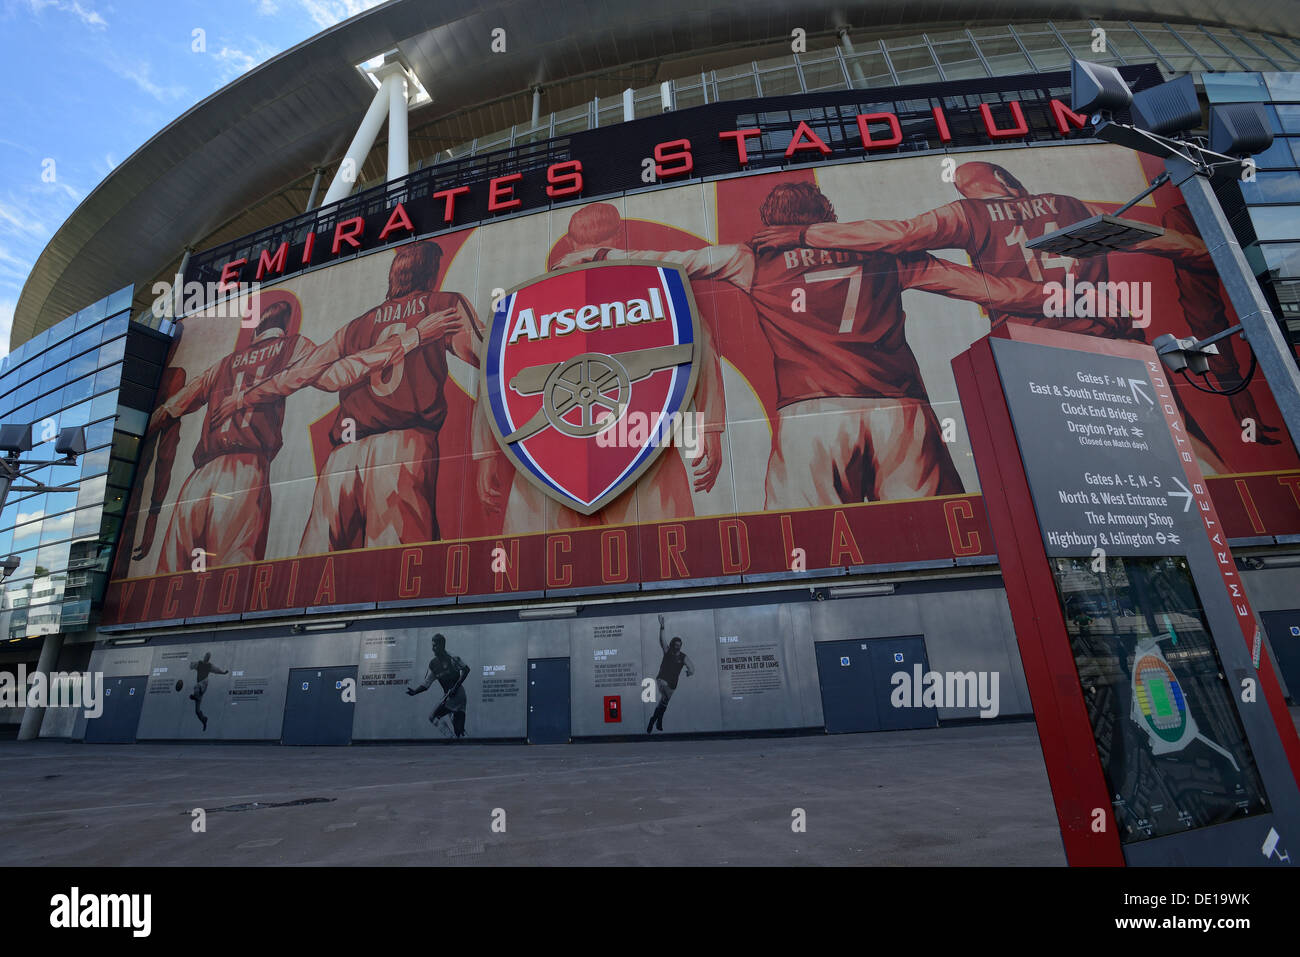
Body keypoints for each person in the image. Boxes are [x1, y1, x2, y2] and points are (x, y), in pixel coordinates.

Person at [561, 180, 1050, 508]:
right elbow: (991, 290)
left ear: (771, 223)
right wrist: (1062, 296)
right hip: (900, 412)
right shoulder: (891, 255)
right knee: (935, 541)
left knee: (803, 550)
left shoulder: (749, 258)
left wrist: (599, 255)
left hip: (808, 421)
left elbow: (669, 262)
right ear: (828, 215)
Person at [213, 240, 477, 550]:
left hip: (341, 458)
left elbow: (301, 374)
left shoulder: (354, 327)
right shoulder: (442, 306)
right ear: (432, 275)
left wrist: (245, 397)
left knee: (316, 563)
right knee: (395, 565)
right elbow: (486, 355)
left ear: (394, 277)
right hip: (403, 447)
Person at [147, 297, 310, 572]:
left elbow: (172, 408)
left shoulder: (224, 363)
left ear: (256, 330)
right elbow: (325, 362)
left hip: (199, 476)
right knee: (231, 572)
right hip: (246, 469)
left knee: (172, 570)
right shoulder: (294, 345)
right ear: (285, 326)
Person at [406, 633, 471, 737]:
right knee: (459, 731)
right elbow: (427, 683)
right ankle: (460, 737)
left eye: (435, 645)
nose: (433, 648)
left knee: (433, 717)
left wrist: (455, 688)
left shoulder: (452, 658)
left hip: (456, 695)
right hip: (450, 696)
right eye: (432, 645)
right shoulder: (433, 664)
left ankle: (450, 738)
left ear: (442, 645)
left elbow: (466, 670)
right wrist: (415, 691)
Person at [647, 614, 694, 734]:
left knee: (664, 702)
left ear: (681, 646)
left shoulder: (683, 657)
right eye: (675, 644)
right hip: (662, 679)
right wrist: (662, 627)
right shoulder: (667, 651)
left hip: (673, 684)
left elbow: (692, 667)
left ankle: (655, 720)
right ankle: (657, 721)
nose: (677, 646)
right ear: (673, 645)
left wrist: (689, 672)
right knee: (665, 698)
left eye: (679, 645)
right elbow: (662, 641)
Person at [188, 651, 227, 732]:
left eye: (208, 657)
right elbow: (191, 665)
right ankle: (204, 720)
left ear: (209, 658)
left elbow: (217, 670)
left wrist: (223, 672)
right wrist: (190, 664)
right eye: (206, 656)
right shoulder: (199, 663)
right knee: (197, 711)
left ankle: (196, 696)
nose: (207, 658)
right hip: (199, 689)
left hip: (204, 683)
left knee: (197, 686)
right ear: (204, 656)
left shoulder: (209, 666)